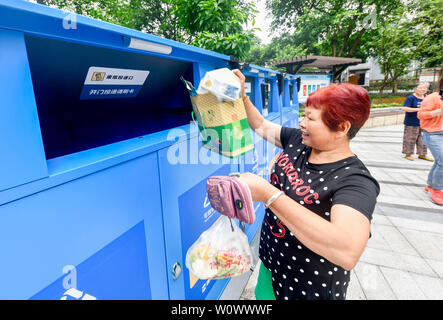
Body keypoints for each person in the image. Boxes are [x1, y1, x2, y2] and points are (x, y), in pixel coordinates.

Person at [232, 69, 380, 300]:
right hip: (272, 264)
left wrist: (269, 195)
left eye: (310, 118)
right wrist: (242, 96)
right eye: (303, 115)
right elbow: (260, 124)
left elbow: (347, 250)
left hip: (307, 287)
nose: (301, 123)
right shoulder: (299, 142)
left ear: (342, 127)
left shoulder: (355, 181)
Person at [417, 76, 443, 206]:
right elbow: (420, 115)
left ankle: (431, 185)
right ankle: (437, 189)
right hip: (432, 134)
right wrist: (437, 112)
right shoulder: (433, 98)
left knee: (440, 161)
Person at [402, 84, 433, 161]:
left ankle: (422, 154)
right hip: (412, 122)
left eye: (424, 88)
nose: (422, 89)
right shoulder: (411, 98)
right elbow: (405, 108)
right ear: (415, 89)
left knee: (423, 139)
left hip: (424, 122)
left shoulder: (427, 97)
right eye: (420, 88)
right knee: (410, 138)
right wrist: (418, 109)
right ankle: (408, 154)